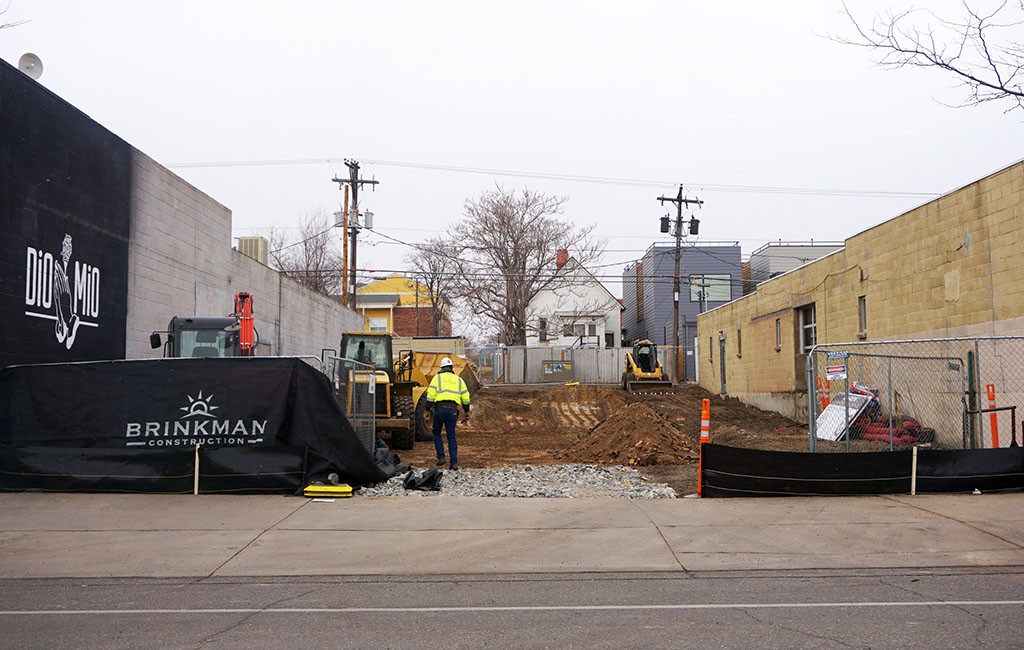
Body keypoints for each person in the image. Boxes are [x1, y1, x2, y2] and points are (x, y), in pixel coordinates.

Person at [424, 357, 471, 470]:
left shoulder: (437, 378)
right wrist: (466, 411)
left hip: (439, 409)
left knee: (436, 433)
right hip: (452, 410)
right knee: (451, 435)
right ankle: (454, 463)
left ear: (441, 368)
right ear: (451, 368)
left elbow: (430, 395)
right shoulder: (459, 380)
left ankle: (441, 458)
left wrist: (427, 408)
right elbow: (466, 397)